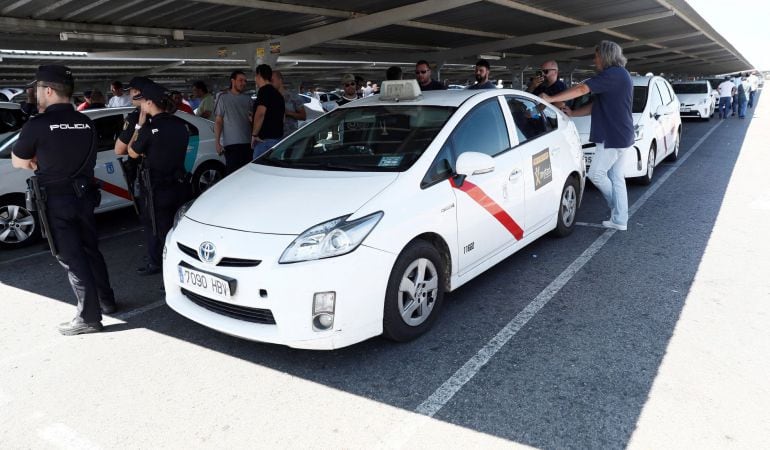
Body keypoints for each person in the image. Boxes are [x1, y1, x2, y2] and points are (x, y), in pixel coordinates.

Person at [11, 65, 117, 335]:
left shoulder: (38, 124)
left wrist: (38, 162)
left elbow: (18, 160)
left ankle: (88, 317)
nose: (36, 94)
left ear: (48, 90)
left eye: (37, 89)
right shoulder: (87, 122)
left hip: (56, 199)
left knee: (71, 256)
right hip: (85, 195)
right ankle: (107, 301)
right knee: (90, 248)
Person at [540, 40, 634, 232]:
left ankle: (617, 209)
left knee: (596, 174)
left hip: (612, 136)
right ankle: (620, 218)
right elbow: (595, 106)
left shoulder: (612, 75)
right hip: (621, 134)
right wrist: (573, 113)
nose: (594, 60)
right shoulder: (619, 76)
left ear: (606, 56)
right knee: (616, 177)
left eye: (597, 56)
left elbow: (582, 89)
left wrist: (551, 99)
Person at [126, 82, 189, 275]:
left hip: (156, 190)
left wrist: (139, 126)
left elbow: (131, 152)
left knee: (161, 232)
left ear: (150, 103)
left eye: (142, 101)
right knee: (178, 229)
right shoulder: (181, 124)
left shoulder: (149, 128)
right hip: (179, 184)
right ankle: (177, 267)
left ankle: (171, 275)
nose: (141, 106)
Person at [214, 70, 252, 174]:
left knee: (247, 174)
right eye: (240, 80)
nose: (243, 83)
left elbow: (252, 120)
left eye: (245, 81)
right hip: (231, 144)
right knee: (232, 174)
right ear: (232, 81)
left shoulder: (248, 99)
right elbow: (218, 121)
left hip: (248, 143)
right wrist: (217, 142)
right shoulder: (222, 97)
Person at [251, 64, 285, 158]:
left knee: (258, 169)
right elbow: (282, 118)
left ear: (259, 75)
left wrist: (254, 135)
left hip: (264, 141)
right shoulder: (278, 94)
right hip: (277, 139)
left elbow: (261, 113)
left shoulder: (263, 91)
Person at [271, 70, 306, 138]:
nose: (270, 83)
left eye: (272, 80)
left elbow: (303, 116)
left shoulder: (293, 96)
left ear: (280, 80)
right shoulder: (269, 98)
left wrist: (288, 113)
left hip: (290, 138)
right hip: (274, 138)